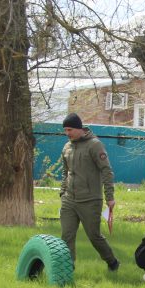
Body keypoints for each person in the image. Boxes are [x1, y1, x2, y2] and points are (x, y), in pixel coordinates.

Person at [59, 113, 119, 271]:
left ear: (79, 128)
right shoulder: (66, 147)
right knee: (66, 236)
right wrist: (62, 192)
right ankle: (68, 269)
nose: (67, 133)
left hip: (90, 200)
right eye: (65, 130)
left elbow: (106, 171)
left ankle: (112, 262)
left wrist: (109, 196)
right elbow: (65, 173)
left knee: (94, 236)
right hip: (69, 200)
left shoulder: (94, 145)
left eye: (70, 129)